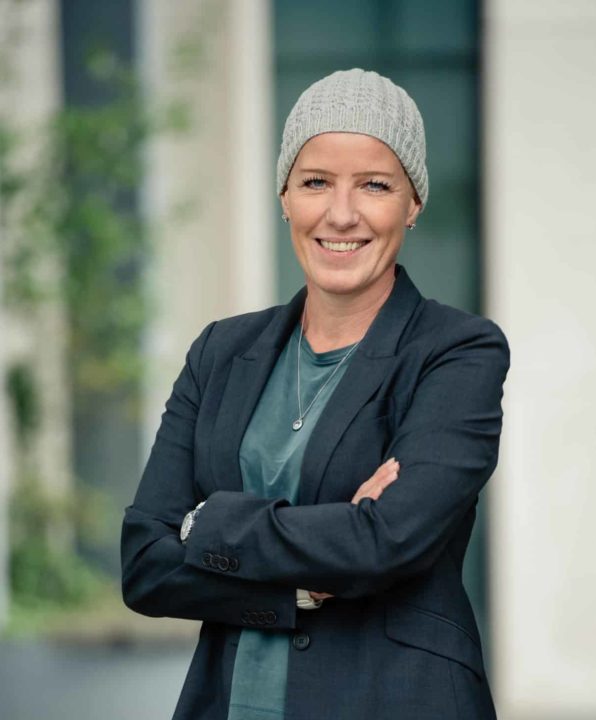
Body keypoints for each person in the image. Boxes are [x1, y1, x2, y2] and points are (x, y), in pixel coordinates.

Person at [121, 68, 510, 720]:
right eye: (316, 182)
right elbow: (144, 565)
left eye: (375, 185)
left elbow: (385, 542)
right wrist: (300, 588)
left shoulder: (457, 352)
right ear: (285, 197)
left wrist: (206, 524)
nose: (342, 213)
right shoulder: (220, 352)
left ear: (414, 203)